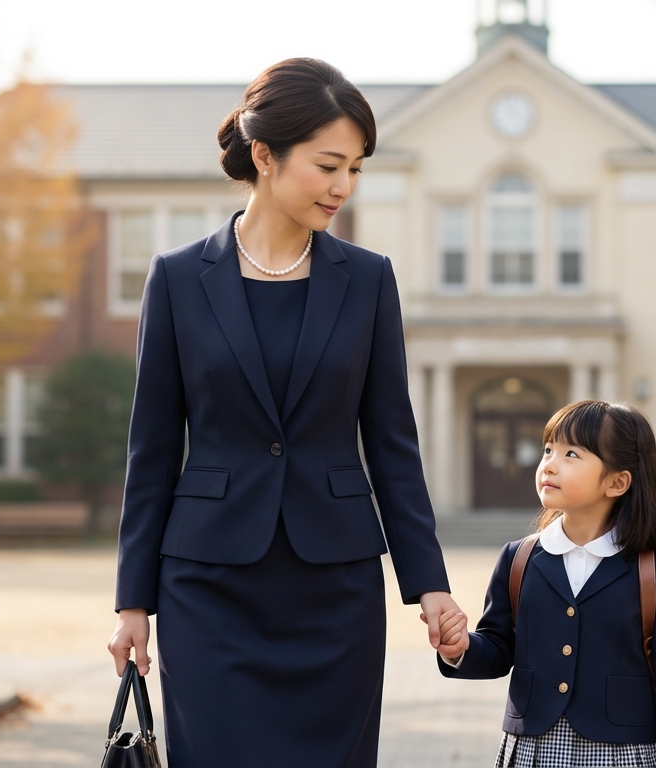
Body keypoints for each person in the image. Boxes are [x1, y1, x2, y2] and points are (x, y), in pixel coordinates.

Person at [105, 58, 466, 767]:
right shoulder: (177, 279)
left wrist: (428, 584)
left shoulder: (368, 281)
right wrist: (131, 603)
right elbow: (150, 451)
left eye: (356, 169)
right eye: (329, 164)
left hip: (335, 590)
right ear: (265, 155)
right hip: (207, 587)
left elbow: (393, 446)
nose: (344, 187)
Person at [429, 400, 656, 767]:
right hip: (531, 751)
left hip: (619, 755)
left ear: (617, 482)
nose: (549, 464)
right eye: (548, 450)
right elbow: (498, 648)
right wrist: (460, 648)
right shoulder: (519, 559)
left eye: (571, 453)